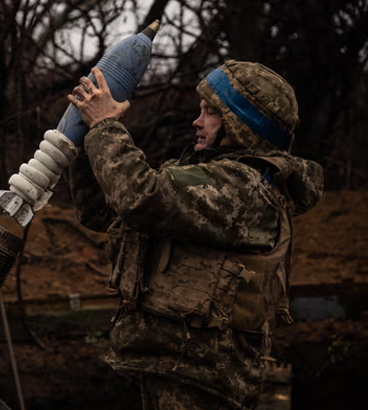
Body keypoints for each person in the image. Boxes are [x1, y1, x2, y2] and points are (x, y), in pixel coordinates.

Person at [67, 61, 323, 409]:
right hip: (170, 366)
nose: (197, 122)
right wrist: (85, 142)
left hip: (204, 378)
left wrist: (105, 126)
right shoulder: (205, 177)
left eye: (211, 113)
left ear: (241, 125)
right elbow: (103, 211)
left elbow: (139, 196)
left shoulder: (244, 189)